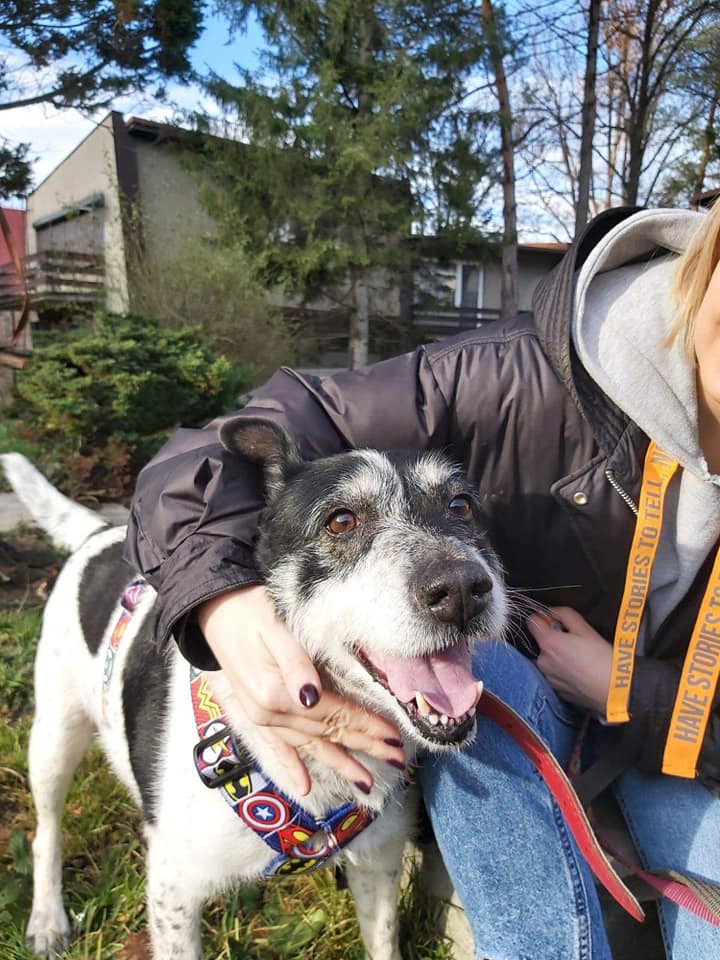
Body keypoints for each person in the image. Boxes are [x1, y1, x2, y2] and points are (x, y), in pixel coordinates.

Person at [124, 204, 720, 960]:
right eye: (348, 522)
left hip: (689, 749)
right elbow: (204, 462)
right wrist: (225, 601)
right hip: (520, 703)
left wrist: (633, 692)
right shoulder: (512, 378)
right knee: (489, 674)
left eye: (459, 511)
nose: (454, 576)